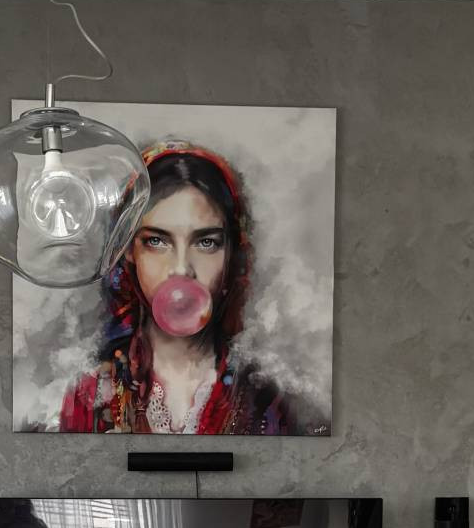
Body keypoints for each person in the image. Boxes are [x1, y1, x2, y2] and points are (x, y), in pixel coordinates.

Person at [58, 141, 303, 434]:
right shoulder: (90, 393)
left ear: (230, 254)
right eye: (157, 241)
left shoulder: (265, 398)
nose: (181, 268)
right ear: (129, 250)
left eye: (206, 242)